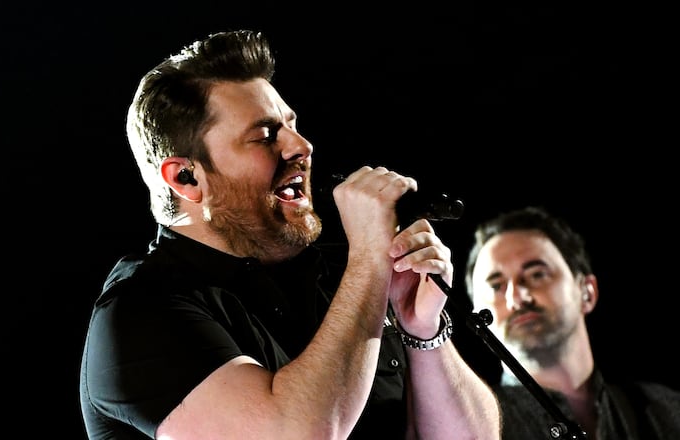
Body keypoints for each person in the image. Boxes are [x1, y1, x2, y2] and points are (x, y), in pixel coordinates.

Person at [79, 29, 500, 440]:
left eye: (292, 125)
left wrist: (421, 331)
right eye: (264, 135)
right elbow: (297, 433)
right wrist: (369, 260)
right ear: (187, 177)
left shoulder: (341, 281)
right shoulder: (140, 313)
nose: (302, 146)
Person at [464, 206, 680, 439]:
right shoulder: (471, 424)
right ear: (477, 315)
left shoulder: (666, 410)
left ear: (587, 292)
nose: (516, 297)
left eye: (537, 274)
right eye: (496, 286)